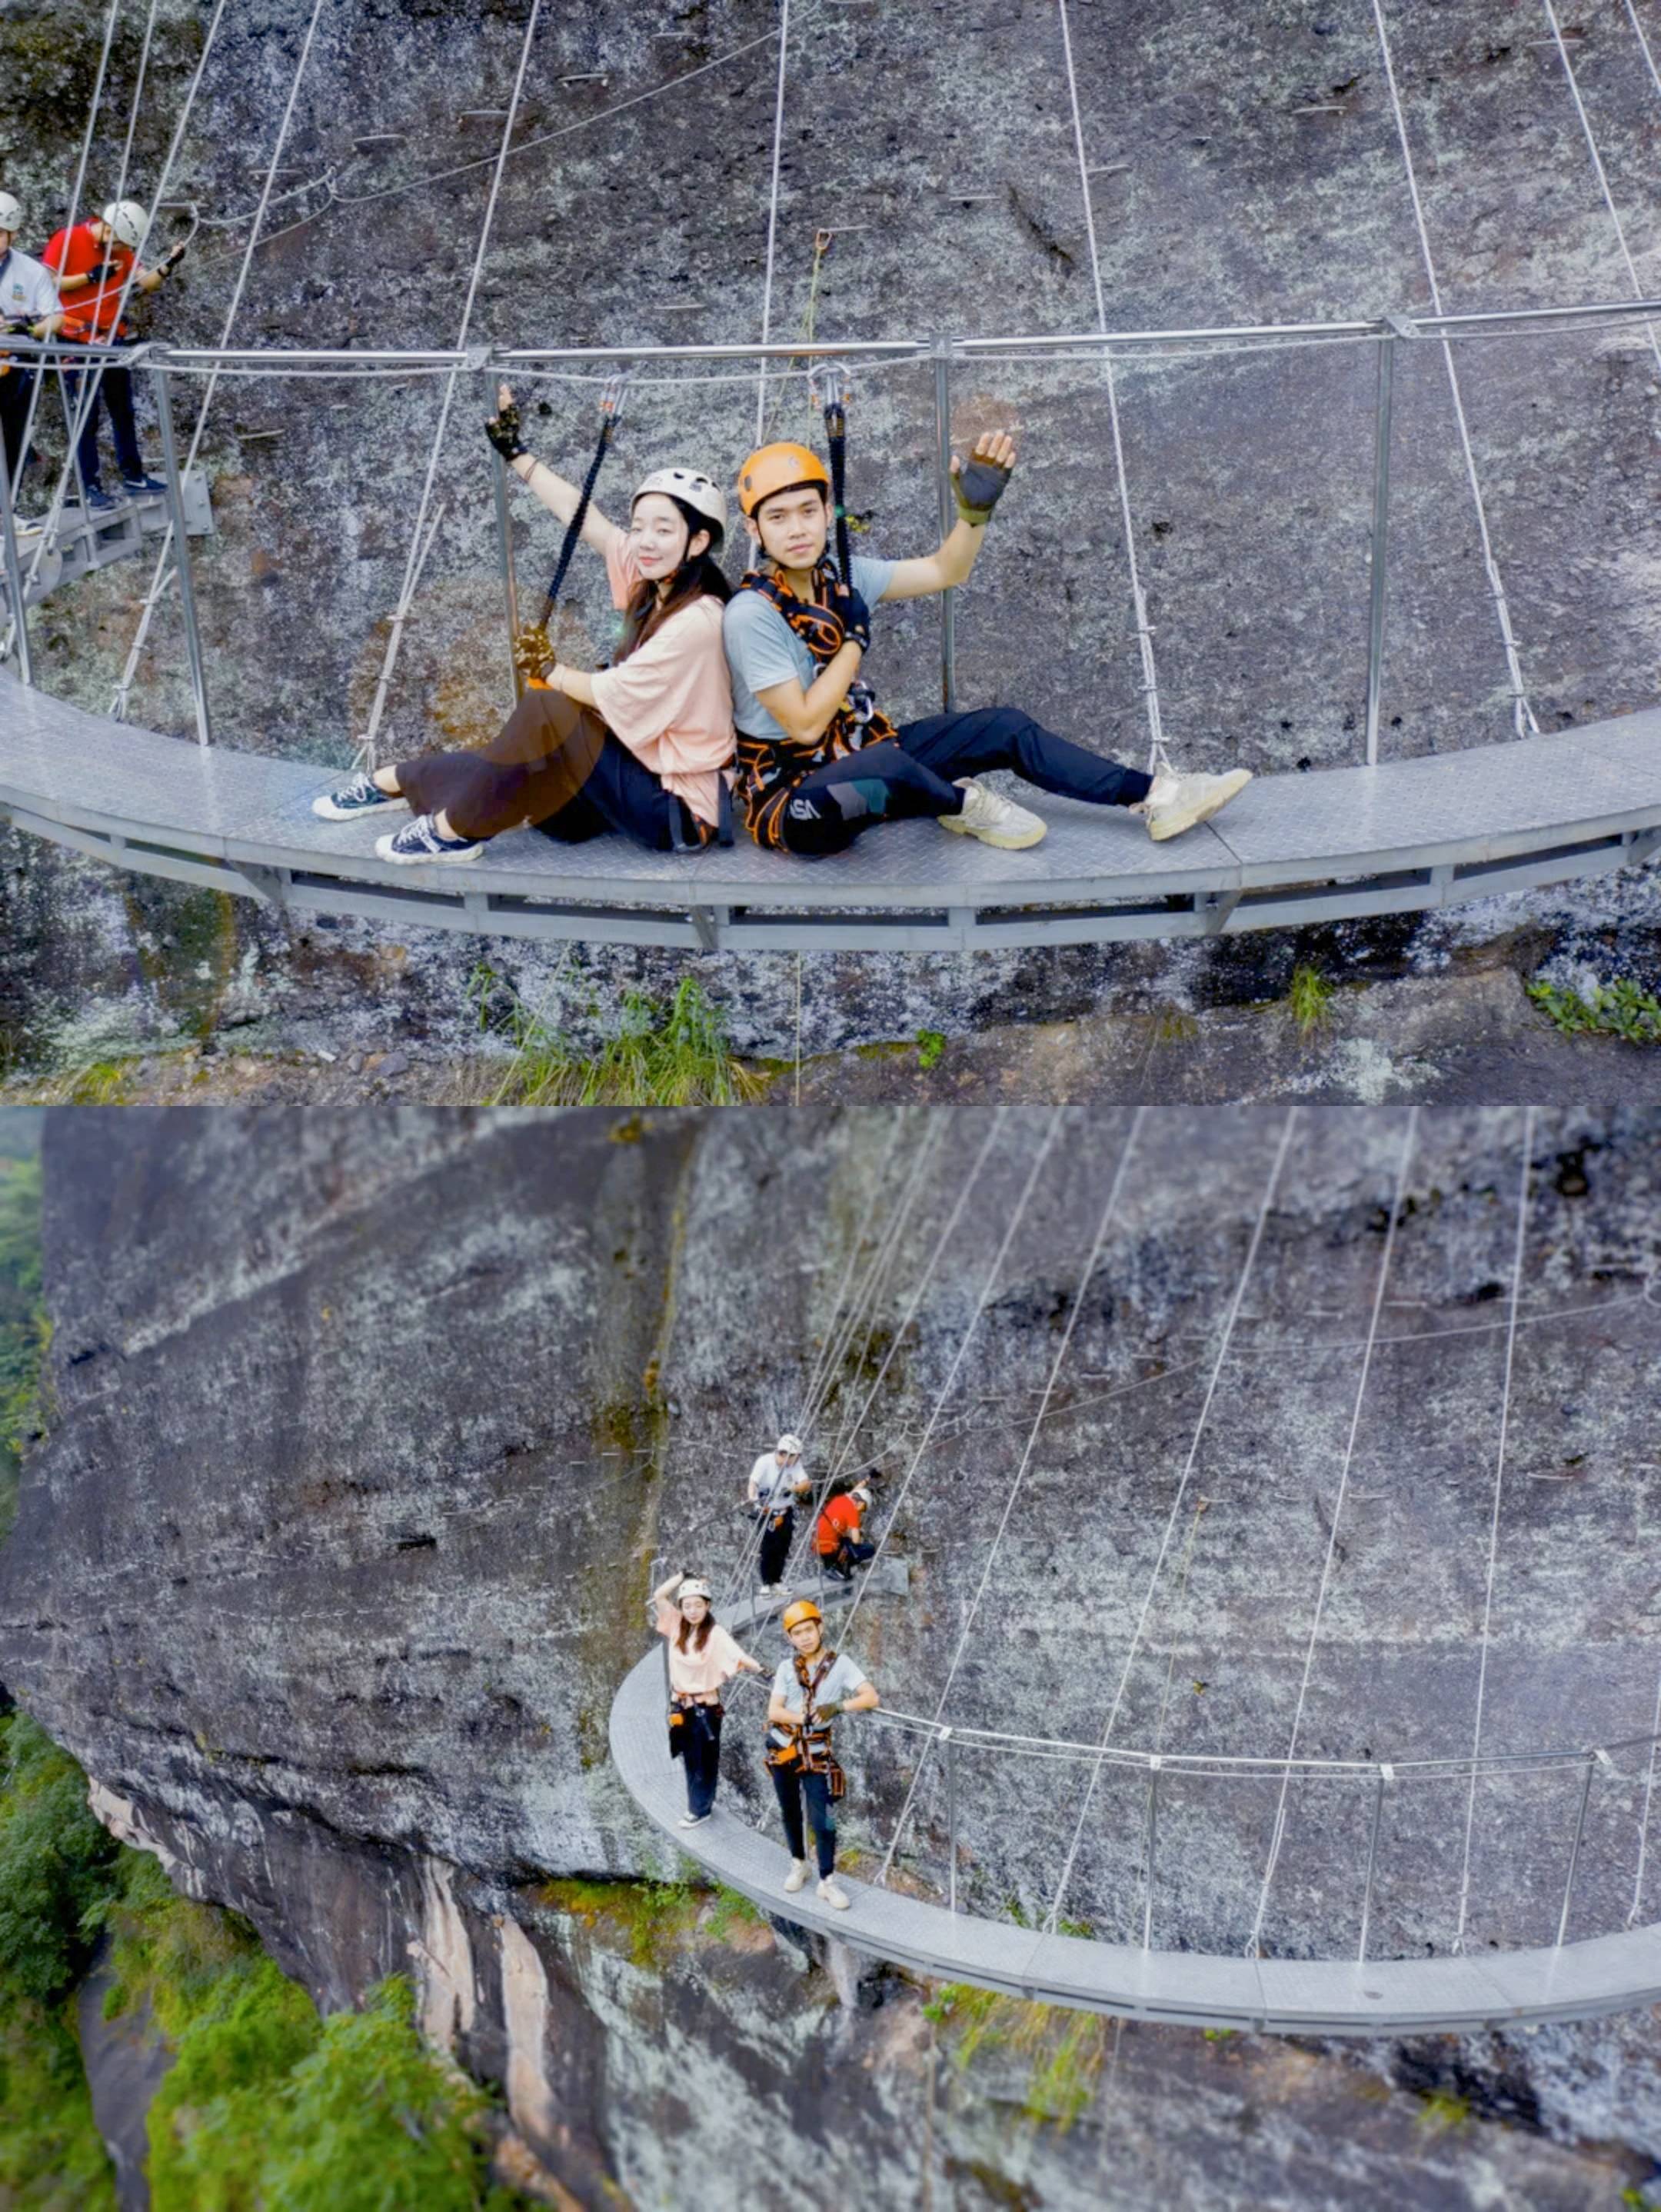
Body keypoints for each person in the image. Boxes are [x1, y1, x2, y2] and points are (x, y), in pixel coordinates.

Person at [721, 434, 1251, 858]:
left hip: (857, 755)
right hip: (799, 807)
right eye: (778, 517)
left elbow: (945, 570)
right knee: (891, 770)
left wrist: (974, 515)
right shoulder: (752, 615)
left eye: (807, 512)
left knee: (1005, 728)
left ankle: (1157, 795)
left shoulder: (845, 578)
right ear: (754, 528)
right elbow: (806, 725)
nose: (797, 529)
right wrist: (856, 640)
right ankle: (964, 803)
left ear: (827, 511)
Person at [314, 388, 737, 864]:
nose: (645, 541)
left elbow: (606, 692)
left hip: (678, 813)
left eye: (664, 529)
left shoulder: (699, 620)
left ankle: (451, 833)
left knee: (547, 709)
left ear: (698, 541)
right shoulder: (651, 581)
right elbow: (585, 519)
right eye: (639, 526)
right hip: (632, 783)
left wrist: (550, 669)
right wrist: (517, 454)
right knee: (517, 768)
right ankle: (393, 781)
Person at [41, 200, 186, 511]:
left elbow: (145, 282)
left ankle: (133, 474)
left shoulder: (121, 250)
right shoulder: (67, 239)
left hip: (110, 339)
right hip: (75, 341)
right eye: (118, 242)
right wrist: (89, 278)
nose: (120, 249)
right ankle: (89, 486)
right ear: (107, 228)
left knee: (123, 409)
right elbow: (47, 281)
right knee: (86, 416)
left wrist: (168, 265)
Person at [765, 1597, 880, 1911]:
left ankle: (827, 1880)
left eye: (809, 1630)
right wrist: (803, 1717)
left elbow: (870, 1697)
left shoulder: (840, 1664)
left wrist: (838, 1706)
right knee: (790, 1810)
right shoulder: (786, 1668)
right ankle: (798, 1863)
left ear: (820, 1628)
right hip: (785, 1750)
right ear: (790, 1638)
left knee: (825, 1819)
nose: (804, 1637)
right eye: (797, 1632)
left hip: (816, 1754)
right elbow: (774, 1710)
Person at [649, 1568, 761, 1829]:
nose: (692, 1611)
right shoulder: (677, 1626)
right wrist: (682, 1576)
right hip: (681, 1705)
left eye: (698, 1605)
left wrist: (762, 1670)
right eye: (687, 1606)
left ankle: (699, 1809)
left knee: (703, 1759)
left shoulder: (715, 1633)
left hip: (705, 1708)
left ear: (707, 1606)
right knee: (690, 1757)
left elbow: (738, 1655)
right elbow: (659, 1595)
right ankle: (700, 1804)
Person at [0, 193, 63, 506]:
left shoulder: (30, 271)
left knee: (14, 437)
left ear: (12, 234)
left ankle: (5, 511)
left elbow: (56, 317)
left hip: (16, 364)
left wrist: (29, 329)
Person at [746, 1432, 810, 1594]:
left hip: (785, 1511)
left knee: (783, 1547)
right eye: (795, 1457)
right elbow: (753, 1483)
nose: (796, 1460)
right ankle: (767, 1583)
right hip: (767, 1511)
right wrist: (754, 1500)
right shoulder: (765, 1462)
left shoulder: (795, 1465)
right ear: (785, 1454)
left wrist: (790, 1489)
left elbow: (805, 1484)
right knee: (768, 1548)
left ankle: (777, 1581)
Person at [814, 1474, 876, 1583]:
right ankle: (837, 1568)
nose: (862, 1512)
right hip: (828, 1548)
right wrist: (858, 1533)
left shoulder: (842, 1499)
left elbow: (856, 1491)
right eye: (863, 1509)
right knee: (868, 1549)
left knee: (846, 1538)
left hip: (818, 1540)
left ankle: (837, 1565)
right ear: (861, 1504)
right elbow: (856, 1540)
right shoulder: (853, 1512)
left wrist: (867, 1479)